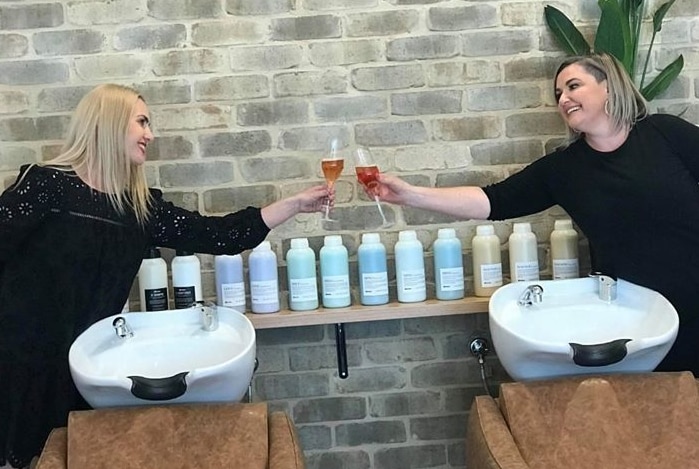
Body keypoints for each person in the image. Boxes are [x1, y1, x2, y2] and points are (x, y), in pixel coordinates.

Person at [0, 83, 332, 468]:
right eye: (141, 121)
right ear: (108, 123)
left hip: (82, 366)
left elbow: (218, 235)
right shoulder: (45, 186)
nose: (150, 134)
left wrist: (293, 205)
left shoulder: (139, 209)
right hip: (16, 361)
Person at [375, 52, 699, 374]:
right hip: (639, 323)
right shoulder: (565, 170)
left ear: (609, 87)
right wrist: (411, 195)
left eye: (573, 86)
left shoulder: (665, 134)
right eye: (559, 94)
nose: (564, 99)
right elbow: (493, 201)